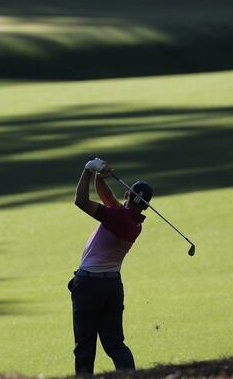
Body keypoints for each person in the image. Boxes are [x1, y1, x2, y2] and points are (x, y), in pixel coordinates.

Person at [68, 157, 153, 375]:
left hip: (89, 286)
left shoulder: (117, 217)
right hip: (112, 287)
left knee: (85, 347)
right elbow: (106, 196)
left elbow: (80, 200)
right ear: (145, 207)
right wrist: (100, 174)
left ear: (126, 195)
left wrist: (88, 170)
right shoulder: (133, 223)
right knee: (115, 345)